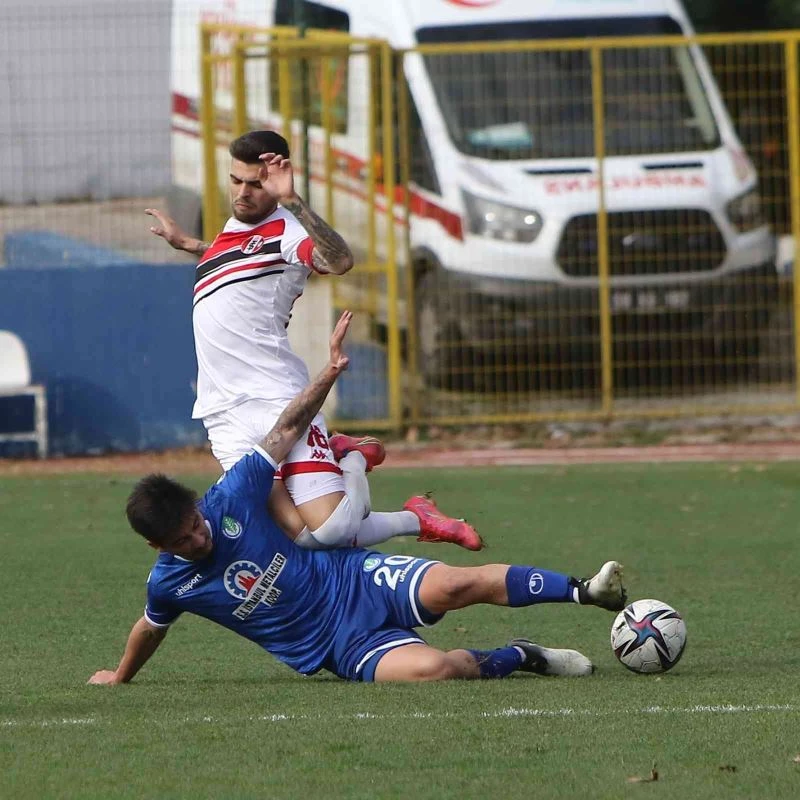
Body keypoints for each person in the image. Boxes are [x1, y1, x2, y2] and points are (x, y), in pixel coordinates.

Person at [88, 311, 627, 686]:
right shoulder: (169, 582)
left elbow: (284, 429)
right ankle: (520, 654)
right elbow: (149, 628)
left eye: (196, 523)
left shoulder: (228, 497)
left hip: (353, 578)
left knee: (458, 584)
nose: (198, 536)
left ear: (196, 506)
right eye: (183, 539)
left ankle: (586, 592)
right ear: (158, 545)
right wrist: (119, 675)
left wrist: (329, 372)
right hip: (336, 648)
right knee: (433, 672)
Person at [146, 130, 482, 553]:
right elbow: (239, 258)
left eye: (257, 184)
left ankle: (353, 457)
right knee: (303, 540)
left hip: (277, 400)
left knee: (333, 533)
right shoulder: (235, 230)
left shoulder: (288, 230)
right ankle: (418, 517)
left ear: (278, 181)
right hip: (222, 414)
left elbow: (339, 261)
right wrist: (191, 245)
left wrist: (293, 201)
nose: (244, 193)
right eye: (237, 181)